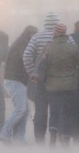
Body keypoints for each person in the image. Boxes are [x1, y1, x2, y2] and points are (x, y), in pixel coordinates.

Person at [43, 22, 79, 146]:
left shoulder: (62, 42)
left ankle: (74, 136)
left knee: (72, 110)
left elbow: (44, 64)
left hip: (67, 81)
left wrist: (41, 78)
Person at [23, 12, 67, 145]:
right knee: (59, 109)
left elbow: (26, 56)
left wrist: (32, 74)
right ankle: (58, 137)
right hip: (59, 80)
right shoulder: (66, 38)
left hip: (41, 80)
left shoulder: (37, 37)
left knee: (41, 111)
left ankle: (40, 140)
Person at [0, 25, 38, 145]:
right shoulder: (23, 44)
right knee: (20, 109)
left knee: (24, 110)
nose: (35, 37)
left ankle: (19, 138)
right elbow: (27, 58)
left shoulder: (21, 42)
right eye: (34, 35)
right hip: (14, 80)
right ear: (30, 34)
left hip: (16, 81)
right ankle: (5, 134)